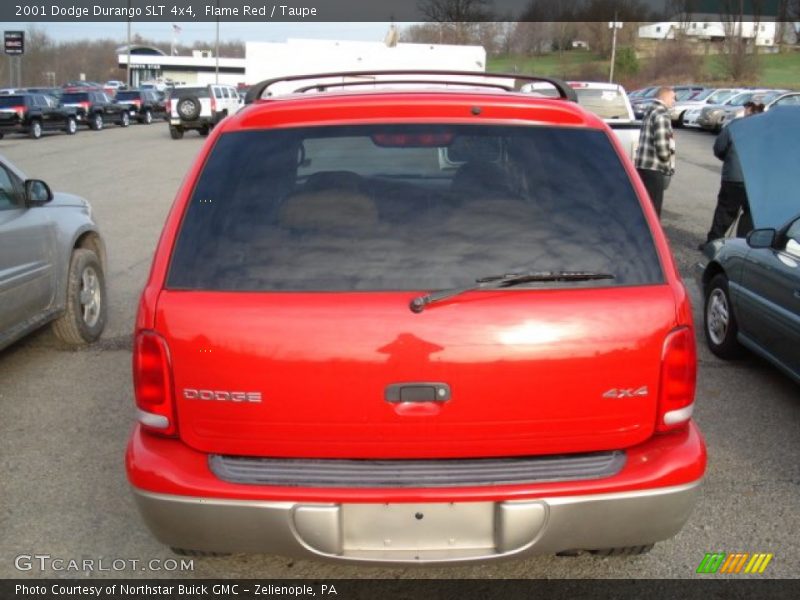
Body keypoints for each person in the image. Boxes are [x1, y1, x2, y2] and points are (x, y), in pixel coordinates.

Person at [699, 101, 763, 250]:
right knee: (750, 215)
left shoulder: (735, 125)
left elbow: (719, 148)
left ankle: (713, 243)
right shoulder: (769, 128)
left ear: (748, 109)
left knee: (724, 212)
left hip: (734, 177)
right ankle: (744, 247)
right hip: (756, 180)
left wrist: (728, 159)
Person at [634, 86, 676, 217]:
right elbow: (662, 148)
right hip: (654, 168)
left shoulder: (650, 111)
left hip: (642, 166)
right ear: (665, 97)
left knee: (643, 206)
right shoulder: (662, 114)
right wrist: (668, 158)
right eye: (673, 98)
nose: (674, 101)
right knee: (654, 209)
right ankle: (653, 236)